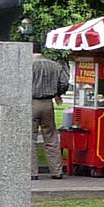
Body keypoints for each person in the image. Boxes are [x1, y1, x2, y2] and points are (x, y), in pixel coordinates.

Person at [30, 48, 70, 179]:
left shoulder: (27, 64)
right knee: (51, 136)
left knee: (30, 138)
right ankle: (56, 171)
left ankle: (32, 172)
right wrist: (58, 93)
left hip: (31, 102)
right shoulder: (54, 65)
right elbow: (64, 82)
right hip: (48, 103)